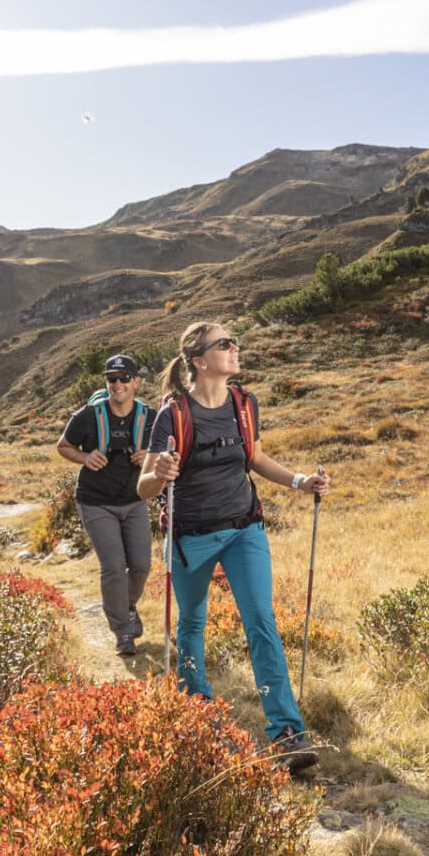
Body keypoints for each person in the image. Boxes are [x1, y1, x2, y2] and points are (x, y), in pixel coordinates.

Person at [139, 321, 330, 775]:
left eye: (234, 342)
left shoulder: (244, 404)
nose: (235, 348)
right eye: (225, 344)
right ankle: (194, 708)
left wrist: (301, 481)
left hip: (245, 527)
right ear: (201, 360)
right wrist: (160, 471)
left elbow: (256, 459)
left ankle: (286, 732)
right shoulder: (172, 414)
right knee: (192, 622)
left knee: (261, 620)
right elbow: (144, 487)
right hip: (190, 535)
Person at [56, 353, 155, 656]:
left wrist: (147, 455)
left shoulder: (149, 417)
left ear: (136, 381)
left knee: (140, 565)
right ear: (106, 382)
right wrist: (85, 457)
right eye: (112, 379)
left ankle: (126, 605)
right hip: (96, 502)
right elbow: (63, 446)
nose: (118, 384)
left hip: (135, 500)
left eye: (124, 378)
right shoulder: (87, 415)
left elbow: (164, 450)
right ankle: (123, 632)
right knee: (113, 566)